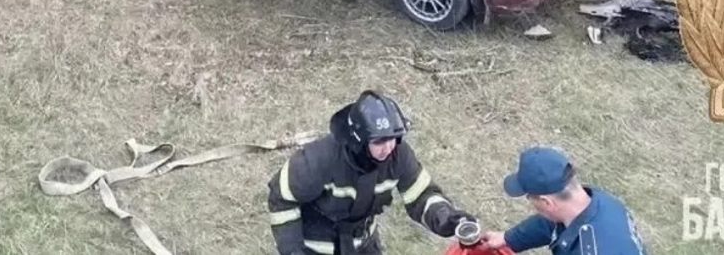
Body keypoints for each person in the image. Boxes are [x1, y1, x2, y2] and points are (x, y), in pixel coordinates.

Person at [267, 90, 478, 255]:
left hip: (363, 244)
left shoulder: (398, 155)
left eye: (393, 138)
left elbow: (421, 195)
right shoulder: (318, 160)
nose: (388, 148)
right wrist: (293, 250)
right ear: (360, 140)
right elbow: (281, 197)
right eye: (379, 142)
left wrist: (446, 217)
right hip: (318, 247)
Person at [477, 146, 647, 255]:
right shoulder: (601, 202)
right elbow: (550, 224)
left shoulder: (590, 250)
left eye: (530, 198)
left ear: (547, 202)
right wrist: (508, 239)